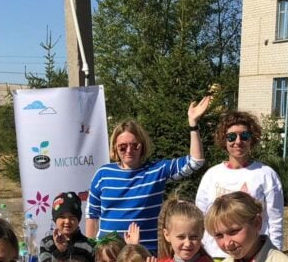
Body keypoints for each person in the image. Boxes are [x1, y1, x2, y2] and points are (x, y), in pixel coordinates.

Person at [85, 96, 213, 252]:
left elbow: (195, 161)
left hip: (147, 256)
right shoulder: (103, 174)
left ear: (142, 145)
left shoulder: (156, 171)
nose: (129, 150)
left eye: (135, 145)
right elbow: (92, 216)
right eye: (122, 147)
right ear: (115, 148)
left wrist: (193, 124)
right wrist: (92, 252)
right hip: (110, 257)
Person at [195, 111, 284, 258]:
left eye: (244, 136)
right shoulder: (212, 175)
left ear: (251, 139)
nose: (238, 141)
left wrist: (276, 253)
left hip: (255, 255)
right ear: (224, 140)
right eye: (231, 136)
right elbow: (201, 216)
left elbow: (275, 220)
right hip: (216, 255)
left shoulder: (266, 174)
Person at [38, 191, 95, 262]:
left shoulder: (89, 245)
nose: (67, 221)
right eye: (62, 217)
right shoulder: (47, 243)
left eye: (72, 217)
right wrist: (59, 252)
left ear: (78, 220)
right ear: (55, 219)